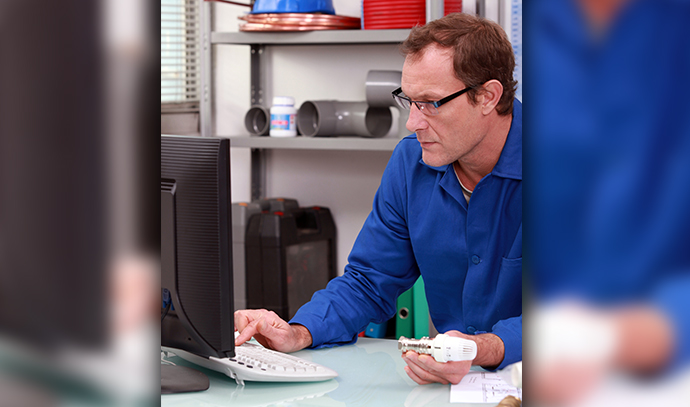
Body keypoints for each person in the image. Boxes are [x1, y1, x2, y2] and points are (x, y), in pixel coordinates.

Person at [235, 12, 522, 385]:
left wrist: (484, 348)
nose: (412, 123)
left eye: (431, 103)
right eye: (410, 101)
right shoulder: (410, 163)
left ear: (488, 96)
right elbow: (369, 281)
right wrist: (297, 332)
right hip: (455, 387)